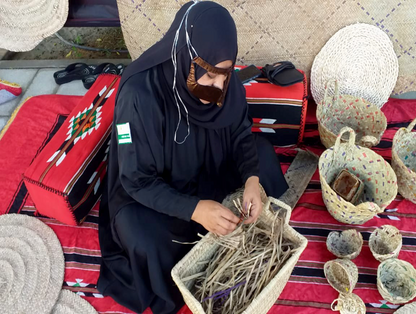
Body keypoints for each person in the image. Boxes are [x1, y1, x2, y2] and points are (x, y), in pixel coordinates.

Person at [97, 1, 289, 313]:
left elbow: (240, 130)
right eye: (208, 76)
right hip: (156, 187)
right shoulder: (138, 94)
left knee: (262, 156)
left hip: (206, 168)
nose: (217, 89)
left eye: (224, 76)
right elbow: (135, 179)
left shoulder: (224, 80)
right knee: (141, 235)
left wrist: (252, 180)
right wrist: (195, 209)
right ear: (186, 56)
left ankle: (230, 213)